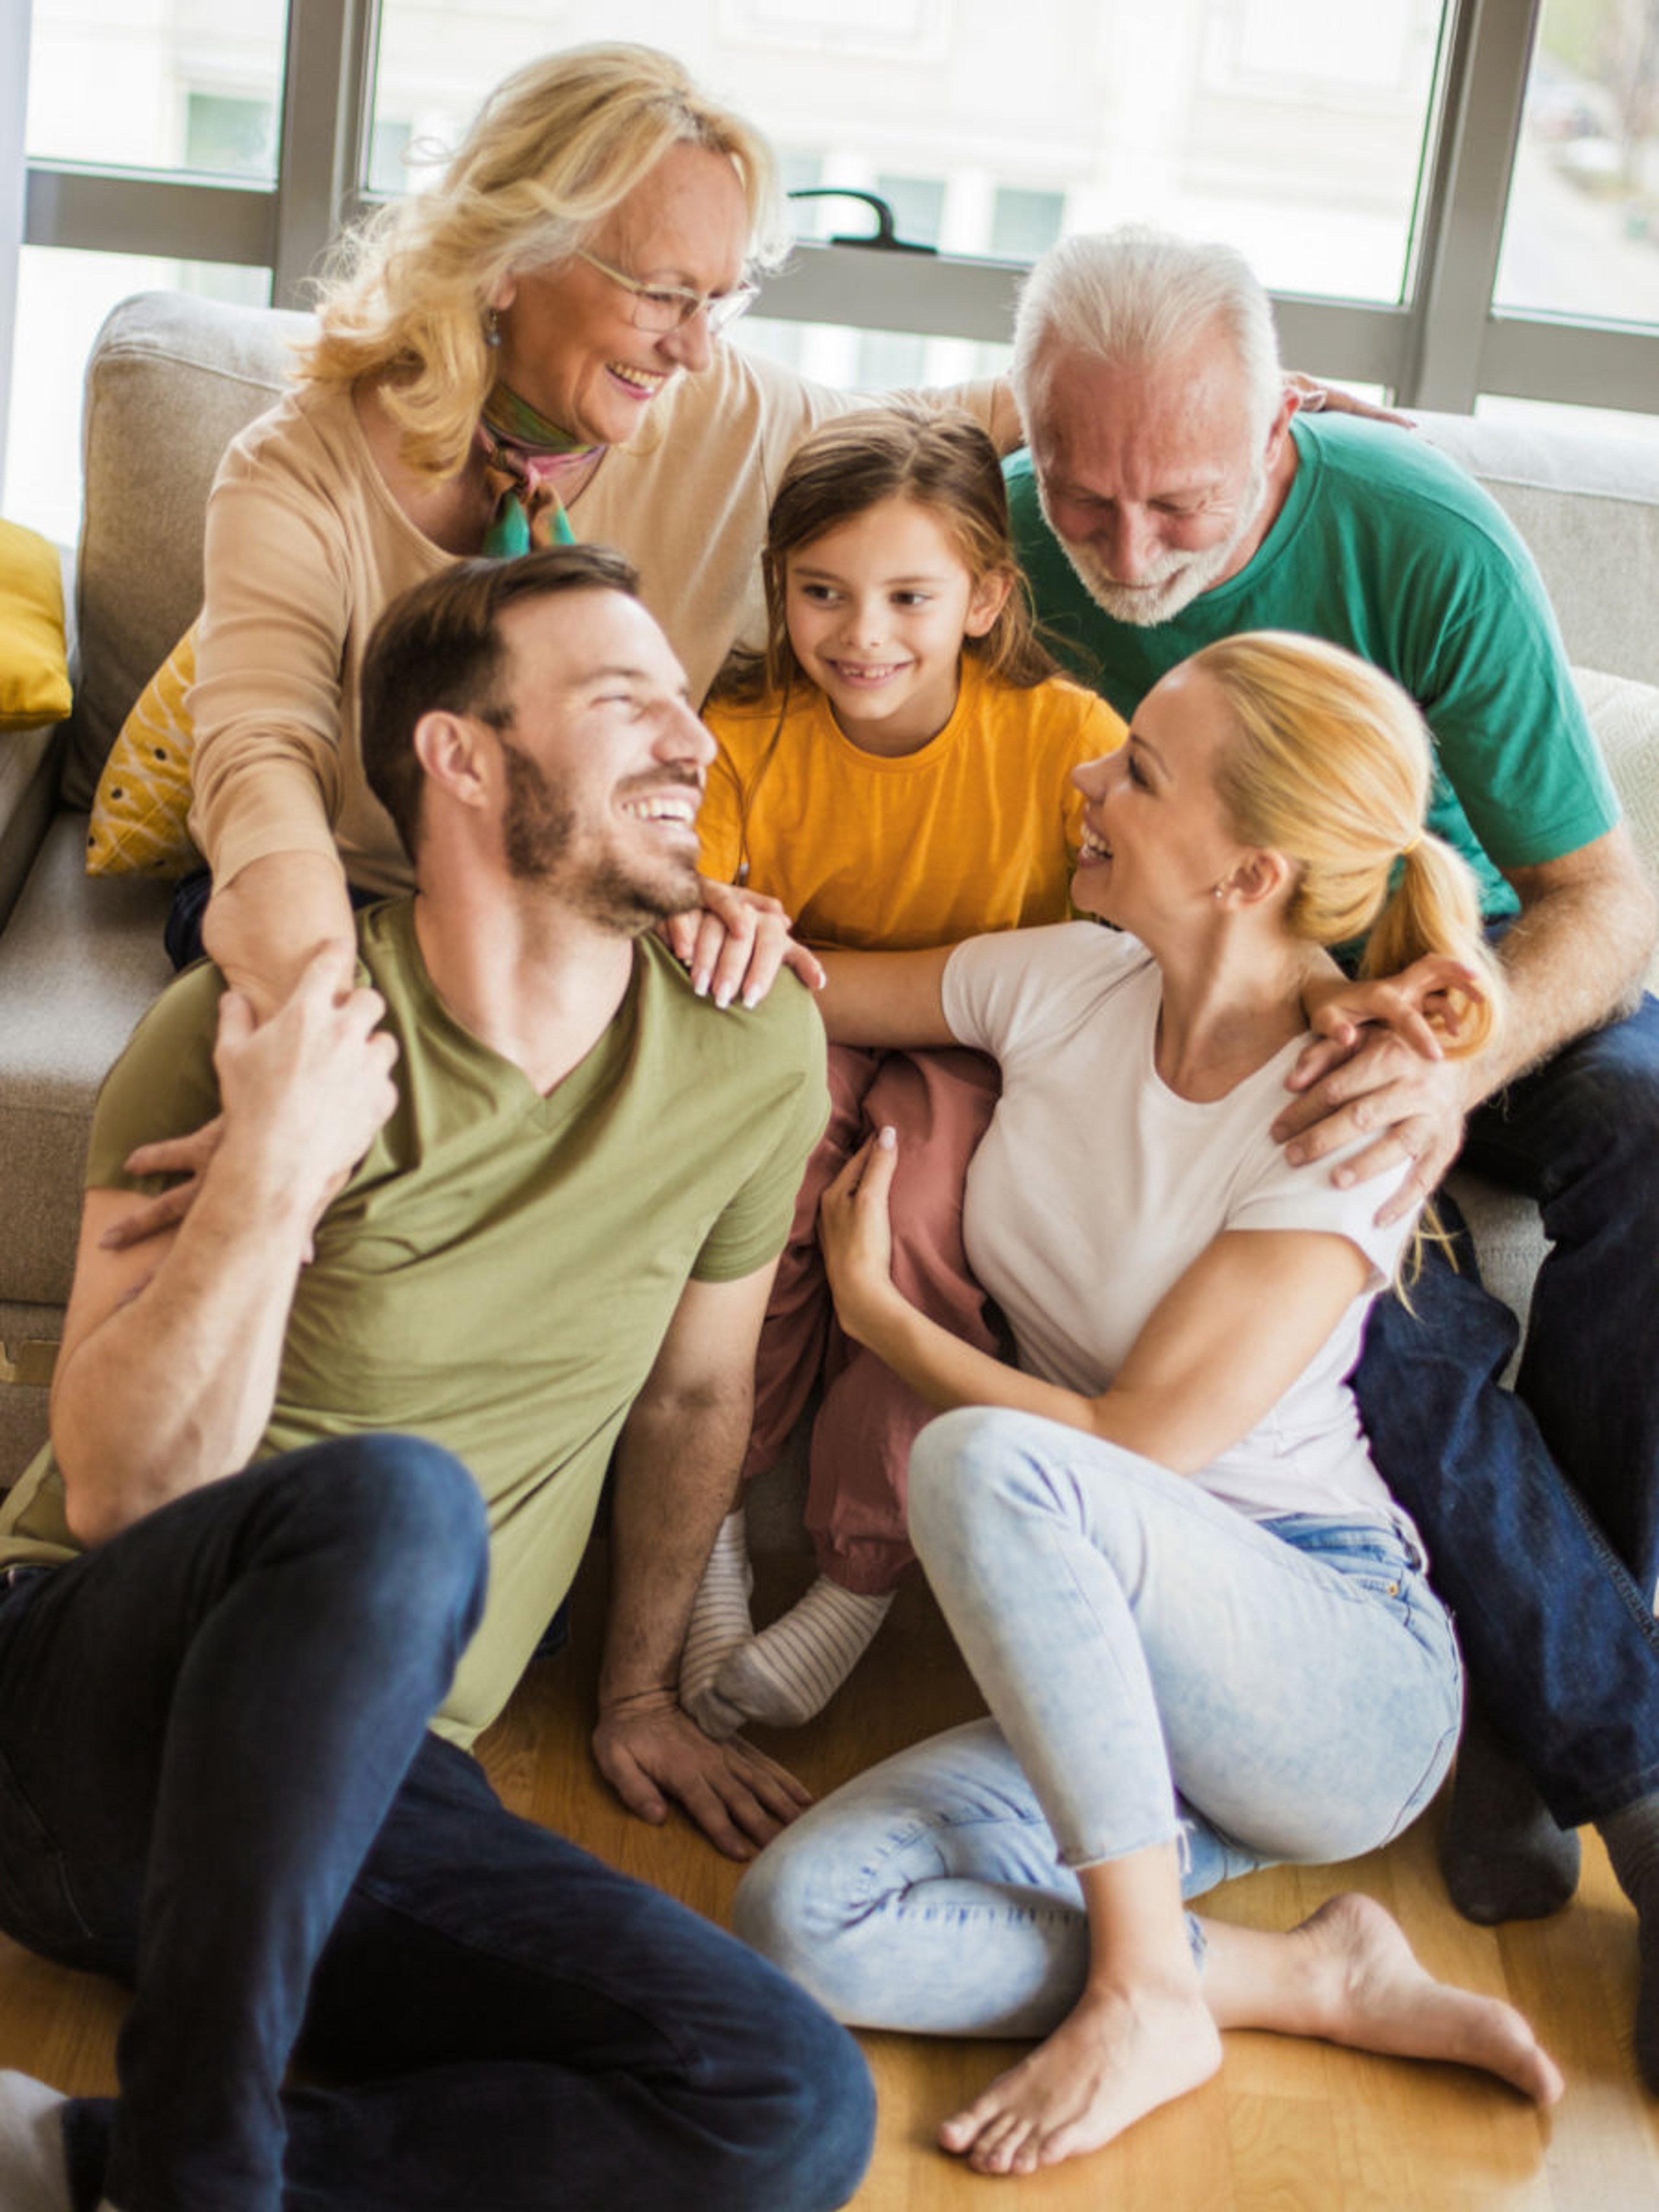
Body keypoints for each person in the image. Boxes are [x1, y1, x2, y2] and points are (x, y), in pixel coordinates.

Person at [0, 546, 875, 2212]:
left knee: (785, 2099)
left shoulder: (752, 1048)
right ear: (461, 759)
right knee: (398, 1502)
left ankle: (79, 2157)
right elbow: (116, 1494)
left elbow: (696, 1403)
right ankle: (200, 2179)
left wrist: (634, 1693)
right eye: (628, 707)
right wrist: (275, 1170)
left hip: (377, 1781)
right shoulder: (255, 1029)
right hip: (76, 1724)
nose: (694, 744)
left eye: (684, 706)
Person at [732, 631, 1560, 2178]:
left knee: (991, 1457)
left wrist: (879, 1321)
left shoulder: (1344, 1110)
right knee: (802, 1926)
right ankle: (1283, 1978)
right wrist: (708, 910)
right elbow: (819, 989)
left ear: (1250, 872)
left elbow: (1126, 1452)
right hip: (1126, 1677)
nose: (1086, 779)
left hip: (1331, 1672)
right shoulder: (1066, 982)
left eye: (1141, 774)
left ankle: (1137, 1990)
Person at [1001, 224, 1659, 2084]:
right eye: (1085, 491)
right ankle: (1637, 1773)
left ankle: (1540, 1706)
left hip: (1458, 973)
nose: (1130, 559)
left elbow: (1599, 898)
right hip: (1232, 1029)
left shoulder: (1418, 534)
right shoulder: (996, 512)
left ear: (1286, 413)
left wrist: (1456, 1064)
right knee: (1394, 1327)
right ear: (1027, 422)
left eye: (1181, 501)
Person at [176, 40, 1018, 1018]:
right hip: (363, 903)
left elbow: (940, 425)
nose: (695, 349)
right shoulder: (297, 472)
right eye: (662, 294)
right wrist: (318, 986)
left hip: (586, 907)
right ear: (506, 260)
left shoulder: (726, 412)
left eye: (721, 300)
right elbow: (260, 756)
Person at [682, 401, 1124, 1734]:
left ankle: (860, 1572)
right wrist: (702, 912)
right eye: (821, 592)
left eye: (907, 596)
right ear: (780, 588)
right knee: (759, 1213)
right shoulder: (744, 728)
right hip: (795, 1023)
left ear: (985, 598)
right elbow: (686, 894)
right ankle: (703, 1530)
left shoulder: (1064, 736)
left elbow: (1124, 937)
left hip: (990, 1043)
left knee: (921, 1221)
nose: (860, 634)